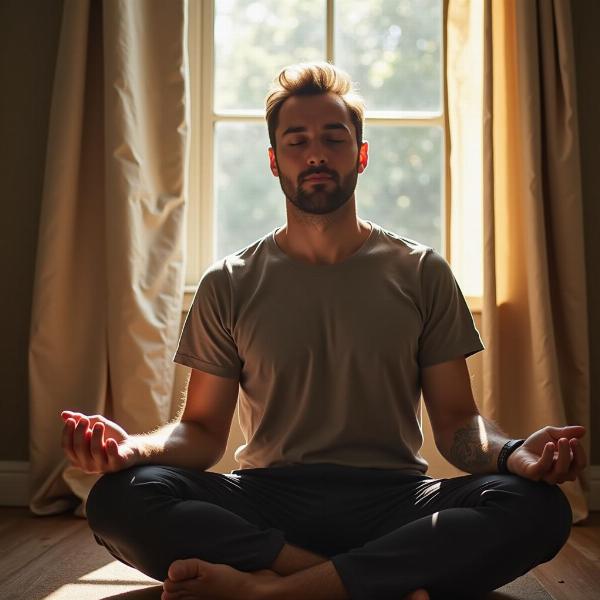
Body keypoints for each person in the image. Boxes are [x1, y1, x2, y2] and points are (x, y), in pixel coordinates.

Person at [61, 62, 587, 600]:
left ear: (360, 155)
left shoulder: (421, 271)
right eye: (297, 141)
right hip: (267, 502)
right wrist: (132, 450)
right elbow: (200, 432)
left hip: (394, 501)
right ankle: (363, 581)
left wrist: (514, 453)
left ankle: (269, 591)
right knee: (120, 498)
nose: (315, 154)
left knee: (537, 507)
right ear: (274, 161)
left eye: (333, 139)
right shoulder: (230, 281)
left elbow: (458, 424)